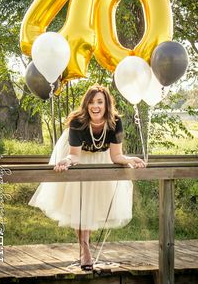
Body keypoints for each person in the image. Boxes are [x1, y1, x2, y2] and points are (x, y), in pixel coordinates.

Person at [29, 84, 145, 271]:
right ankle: (85, 250)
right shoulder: (77, 121)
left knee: (91, 205)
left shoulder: (116, 122)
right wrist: (66, 161)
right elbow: (74, 155)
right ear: (86, 104)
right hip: (79, 159)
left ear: (107, 104)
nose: (95, 106)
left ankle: (86, 246)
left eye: (99, 101)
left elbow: (116, 156)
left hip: (102, 160)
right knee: (79, 205)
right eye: (91, 102)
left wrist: (130, 159)